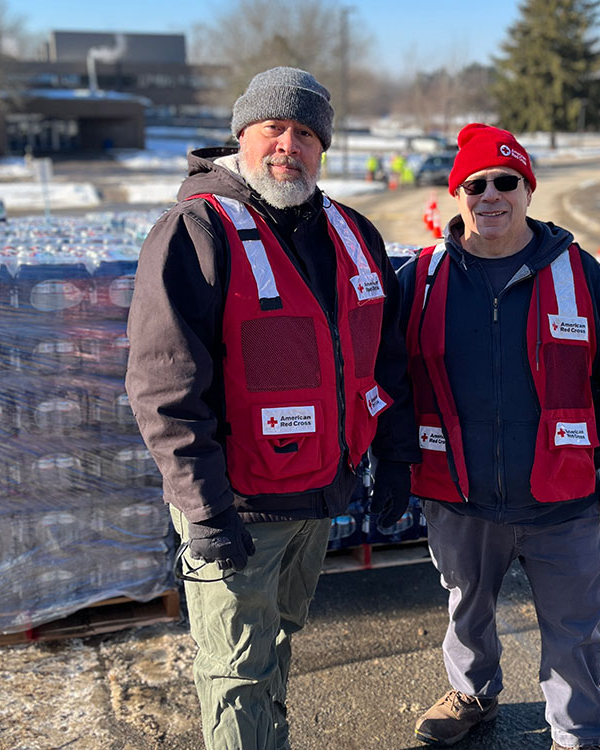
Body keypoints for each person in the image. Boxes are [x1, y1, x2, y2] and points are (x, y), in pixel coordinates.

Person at [125, 67, 419, 750]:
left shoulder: (352, 232)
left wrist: (396, 459)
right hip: (237, 504)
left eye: (308, 133)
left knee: (281, 638)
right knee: (233, 668)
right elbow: (164, 387)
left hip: (319, 492)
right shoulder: (195, 229)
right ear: (242, 136)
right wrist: (204, 510)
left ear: (324, 148)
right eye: (274, 128)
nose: (290, 144)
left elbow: (386, 359)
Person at [398, 123, 600, 750]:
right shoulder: (420, 279)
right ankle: (473, 695)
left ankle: (576, 730)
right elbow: (385, 379)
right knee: (465, 608)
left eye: (505, 181)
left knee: (574, 625)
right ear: (456, 194)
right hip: (457, 492)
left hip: (560, 496)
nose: (491, 195)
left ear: (528, 190)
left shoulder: (579, 275)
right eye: (474, 184)